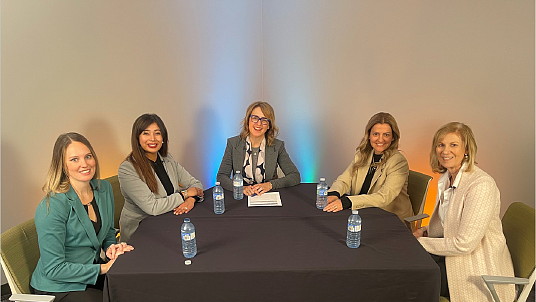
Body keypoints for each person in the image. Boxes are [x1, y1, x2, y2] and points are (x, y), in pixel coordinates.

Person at [413, 122, 515, 301]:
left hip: (474, 266)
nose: (445, 151)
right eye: (441, 145)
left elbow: (464, 244)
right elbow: (449, 222)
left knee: (410, 282)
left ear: (466, 149)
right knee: (402, 266)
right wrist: (425, 231)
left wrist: (420, 243)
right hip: (451, 257)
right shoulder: (446, 178)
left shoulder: (481, 185)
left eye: (453, 145)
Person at [31, 133, 133, 302]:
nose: (84, 164)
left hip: (91, 270)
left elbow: (107, 232)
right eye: (74, 159)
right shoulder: (52, 206)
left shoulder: (104, 189)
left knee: (135, 287)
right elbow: (54, 268)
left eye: (88, 156)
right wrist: (105, 267)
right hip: (58, 285)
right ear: (62, 166)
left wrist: (111, 249)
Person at [118, 113, 203, 242]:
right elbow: (153, 208)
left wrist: (191, 199)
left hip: (168, 222)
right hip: (141, 232)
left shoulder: (167, 159)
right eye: (146, 133)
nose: (152, 138)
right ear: (137, 138)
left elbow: (195, 184)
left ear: (163, 137)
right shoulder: (128, 169)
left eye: (157, 133)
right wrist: (184, 194)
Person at [323, 112, 413, 222]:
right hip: (362, 213)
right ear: (369, 136)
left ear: (393, 137)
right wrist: (334, 194)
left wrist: (347, 202)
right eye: (376, 134)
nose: (380, 139)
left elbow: (384, 197)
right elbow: (345, 179)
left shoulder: (398, 161)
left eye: (386, 135)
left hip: (389, 219)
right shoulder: (363, 155)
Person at [217, 101, 300, 196]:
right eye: (255, 118)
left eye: (264, 120)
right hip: (242, 197)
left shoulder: (277, 146)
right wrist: (241, 188)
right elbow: (221, 176)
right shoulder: (233, 144)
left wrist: (270, 185)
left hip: (267, 196)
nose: (259, 124)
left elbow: (295, 176)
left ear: (269, 125)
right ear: (248, 120)